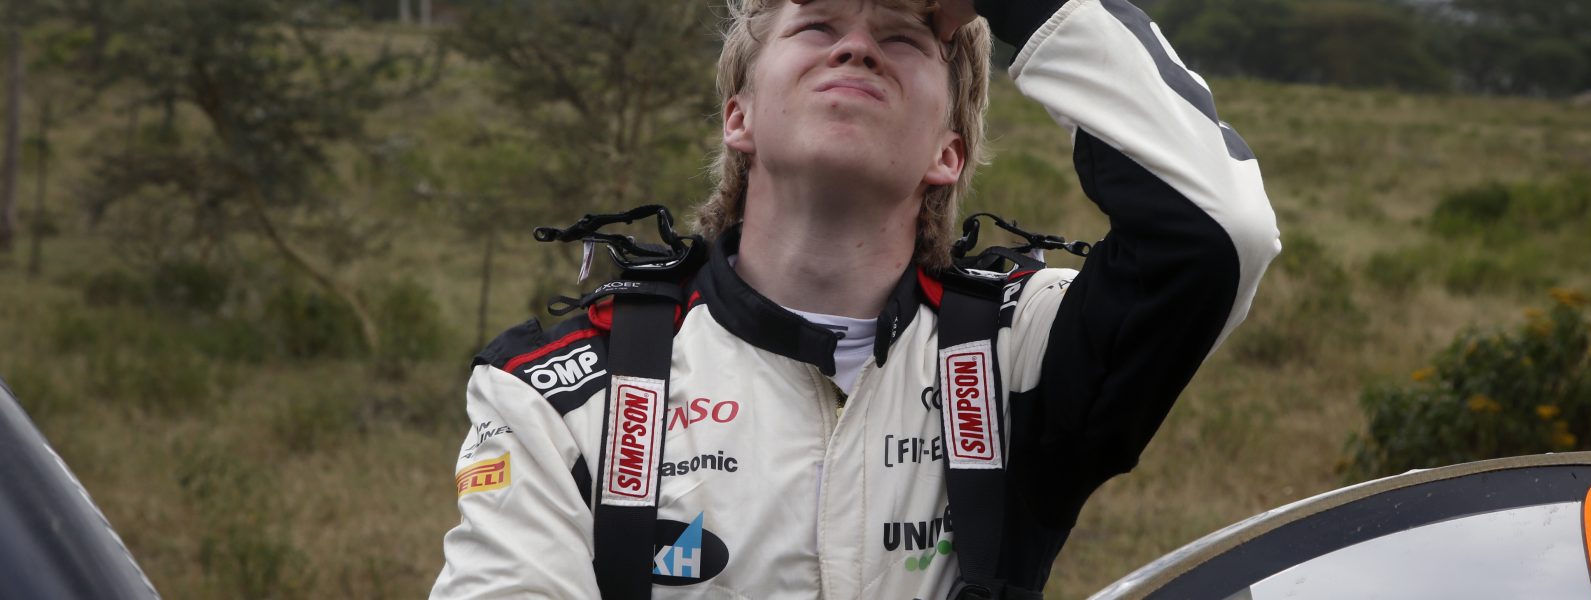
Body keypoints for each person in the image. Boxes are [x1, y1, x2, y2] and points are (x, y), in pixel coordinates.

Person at [430, 0, 1280, 597]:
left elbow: (1219, 231)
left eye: (904, 38)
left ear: (949, 151)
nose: (858, 48)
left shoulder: (1019, 349)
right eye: (817, 25)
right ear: (738, 116)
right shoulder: (555, 393)